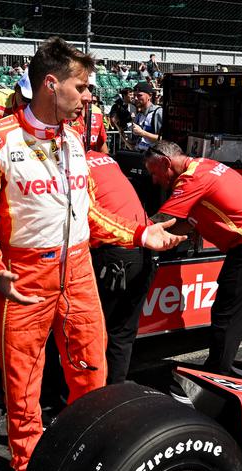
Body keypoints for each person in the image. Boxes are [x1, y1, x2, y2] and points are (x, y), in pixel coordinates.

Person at [0, 38, 184, 471]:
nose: (88, 96)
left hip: (79, 269)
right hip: (25, 275)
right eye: (81, 87)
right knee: (23, 385)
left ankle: (87, 464)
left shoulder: (75, 140)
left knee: (92, 374)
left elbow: (89, 214)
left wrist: (140, 234)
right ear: (50, 84)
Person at [142, 140, 242, 383]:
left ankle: (215, 377)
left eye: (154, 173)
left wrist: (128, 233)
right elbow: (187, 222)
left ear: (166, 162)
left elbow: (162, 220)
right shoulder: (203, 165)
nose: (154, 180)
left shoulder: (190, 179)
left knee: (227, 312)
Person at [87, 150, 155, 383]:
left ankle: (83, 395)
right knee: (122, 332)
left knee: (92, 330)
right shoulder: (106, 160)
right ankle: (113, 392)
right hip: (142, 247)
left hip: (115, 252)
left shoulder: (70, 164)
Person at [129, 81, 162, 151]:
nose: (136, 98)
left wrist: (142, 133)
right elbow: (133, 145)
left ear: (150, 96)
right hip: (139, 154)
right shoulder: (139, 115)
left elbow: (163, 139)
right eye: (134, 95)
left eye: (139, 95)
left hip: (153, 155)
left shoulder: (158, 112)